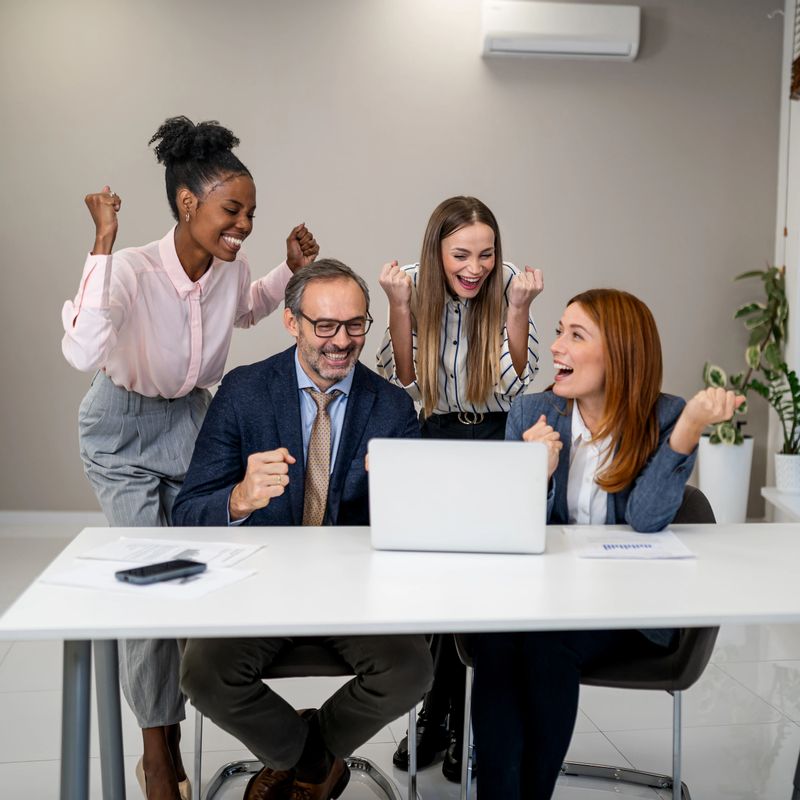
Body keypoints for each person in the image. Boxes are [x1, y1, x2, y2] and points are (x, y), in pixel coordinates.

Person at [61, 116, 319, 800]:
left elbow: (253, 308)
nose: (243, 225)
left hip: (192, 424)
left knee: (198, 573)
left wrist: (287, 272)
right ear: (187, 204)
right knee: (148, 584)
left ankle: (176, 718)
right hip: (121, 426)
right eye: (232, 211)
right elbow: (83, 351)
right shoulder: (132, 271)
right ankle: (156, 747)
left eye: (250, 214)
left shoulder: (228, 271)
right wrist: (102, 246)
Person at [173, 259, 434, 800]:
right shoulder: (243, 392)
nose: (342, 342)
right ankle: (318, 763)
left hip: (354, 593)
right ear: (291, 323)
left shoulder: (390, 406)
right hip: (260, 586)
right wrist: (238, 499)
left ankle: (300, 752)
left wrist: (398, 500)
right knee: (202, 674)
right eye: (325, 327)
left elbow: (419, 533)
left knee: (411, 672)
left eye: (355, 325)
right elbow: (188, 511)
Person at [470, 288, 744, 800]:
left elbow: (645, 519)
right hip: (543, 599)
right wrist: (534, 474)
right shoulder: (532, 412)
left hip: (628, 605)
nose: (556, 348)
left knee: (549, 642)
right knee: (498, 639)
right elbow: (507, 534)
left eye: (576, 336)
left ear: (618, 352)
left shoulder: (664, 415)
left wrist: (686, 432)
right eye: (559, 332)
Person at [376, 195, 543, 780]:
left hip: (496, 442)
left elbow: (515, 383)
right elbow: (406, 381)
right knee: (437, 584)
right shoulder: (412, 283)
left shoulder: (513, 284)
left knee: (476, 585)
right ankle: (443, 711)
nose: (476, 268)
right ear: (438, 250)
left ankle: (447, 714)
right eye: (462, 255)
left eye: (487, 254)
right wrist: (398, 307)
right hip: (432, 439)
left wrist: (518, 311)